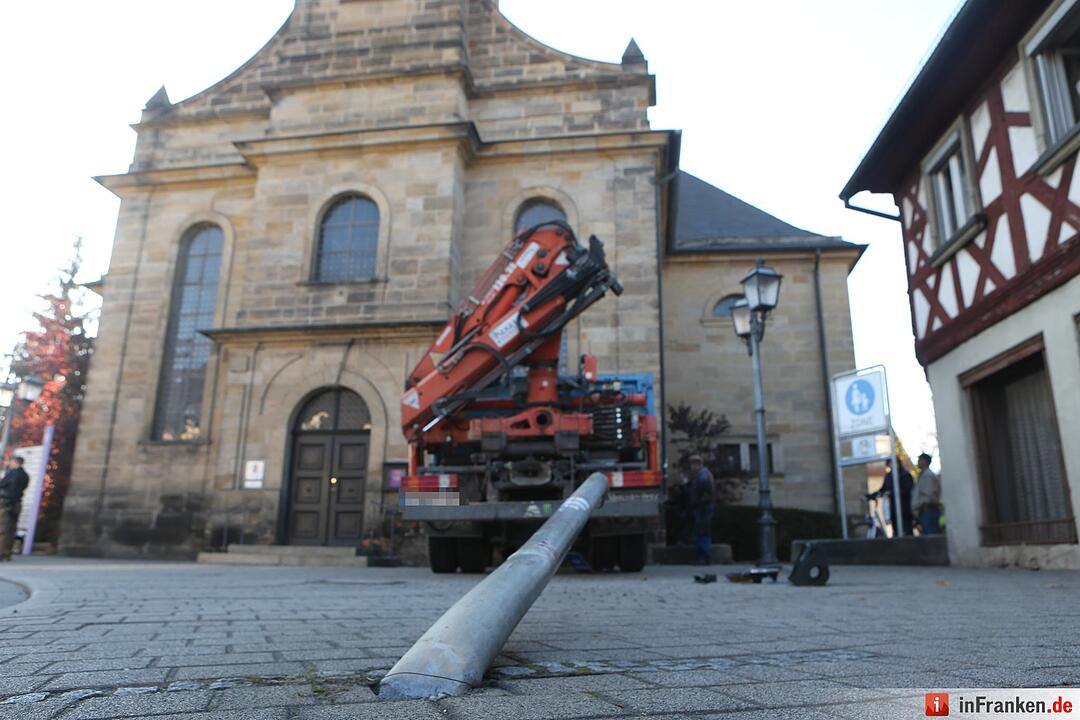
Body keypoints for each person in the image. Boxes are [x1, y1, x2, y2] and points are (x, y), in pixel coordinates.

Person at [873, 458, 913, 537]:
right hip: (893, 509)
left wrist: (892, 493)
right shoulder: (889, 476)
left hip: (904, 509)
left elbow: (908, 490)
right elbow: (883, 489)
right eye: (889, 464)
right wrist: (872, 495)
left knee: (906, 531)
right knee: (896, 529)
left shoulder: (904, 474)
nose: (891, 465)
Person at [687, 455, 716, 565]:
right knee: (703, 531)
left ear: (696, 464)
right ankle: (704, 557)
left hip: (702, 507)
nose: (691, 467)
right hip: (704, 506)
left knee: (701, 532)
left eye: (691, 464)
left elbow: (703, 489)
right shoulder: (704, 473)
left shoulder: (701, 474)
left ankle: (703, 557)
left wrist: (697, 501)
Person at [0, 456, 30, 561]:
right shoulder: (25, 475)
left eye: (11, 462)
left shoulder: (12, 473)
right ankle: (7, 553)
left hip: (6, 502)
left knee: (3, 528)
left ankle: (1, 552)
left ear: (15, 462)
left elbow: (2, 484)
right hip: (17, 503)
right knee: (12, 529)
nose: (9, 463)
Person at [912, 452, 943, 535]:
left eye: (920, 460)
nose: (918, 462)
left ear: (925, 461)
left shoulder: (928, 475)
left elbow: (929, 495)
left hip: (929, 510)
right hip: (925, 511)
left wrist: (920, 505)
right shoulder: (923, 475)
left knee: (931, 536)